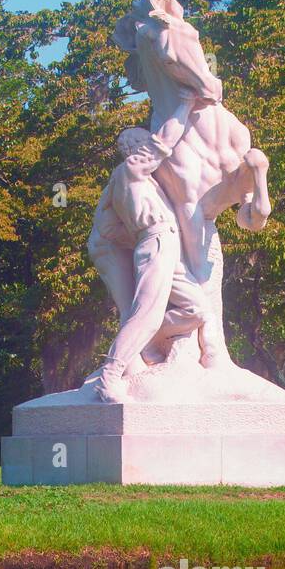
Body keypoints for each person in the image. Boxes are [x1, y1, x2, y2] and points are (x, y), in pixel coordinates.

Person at [87, 106, 223, 403]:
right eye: (144, 143)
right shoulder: (129, 171)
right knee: (145, 314)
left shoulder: (148, 182)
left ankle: (146, 337)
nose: (151, 148)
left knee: (197, 310)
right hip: (155, 243)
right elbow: (164, 142)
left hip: (169, 246)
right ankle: (110, 375)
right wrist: (185, 105)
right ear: (135, 149)